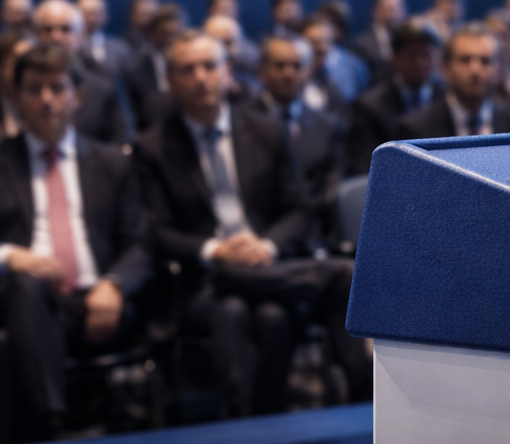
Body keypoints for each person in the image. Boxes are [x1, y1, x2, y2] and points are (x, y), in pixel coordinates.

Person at [131, 31, 369, 417]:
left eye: (210, 66)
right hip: (202, 278)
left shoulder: (266, 130)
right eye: (188, 69)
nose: (201, 77)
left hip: (266, 263)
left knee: (267, 316)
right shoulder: (151, 147)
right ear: (169, 80)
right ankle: (267, 418)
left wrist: (266, 245)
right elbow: (155, 230)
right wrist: (216, 251)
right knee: (253, 307)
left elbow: (299, 210)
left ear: (227, 72)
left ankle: (256, 421)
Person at [0, 44, 149, 443]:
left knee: (6, 346)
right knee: (26, 286)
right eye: (34, 89)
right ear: (17, 97)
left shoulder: (111, 163)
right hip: (20, 296)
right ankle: (53, 419)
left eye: (57, 88)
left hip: (96, 303)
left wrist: (114, 283)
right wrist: (12, 256)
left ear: (78, 96)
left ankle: (39, 428)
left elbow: (138, 243)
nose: (47, 99)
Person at [255, 37, 347, 244]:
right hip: (258, 231)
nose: (289, 73)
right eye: (280, 66)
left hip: (312, 234)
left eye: (297, 66)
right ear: (261, 71)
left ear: (309, 71)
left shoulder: (328, 126)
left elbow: (330, 189)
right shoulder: (240, 122)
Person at [395, 24, 510, 139]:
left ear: (499, 70)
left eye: (485, 61)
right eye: (465, 60)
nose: (475, 70)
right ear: (445, 68)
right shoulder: (415, 129)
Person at [32, 0, 134, 145]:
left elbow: (123, 132)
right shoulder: (23, 75)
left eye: (65, 29)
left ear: (80, 35)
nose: (55, 36)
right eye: (47, 30)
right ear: (35, 34)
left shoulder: (104, 76)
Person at [345, 22, 438, 176]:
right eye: (412, 55)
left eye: (426, 55)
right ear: (393, 58)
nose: (420, 63)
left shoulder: (446, 97)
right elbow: (364, 168)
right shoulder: (369, 107)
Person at [123, 3, 185, 131]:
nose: (171, 40)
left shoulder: (195, 68)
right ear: (152, 33)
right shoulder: (134, 70)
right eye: (165, 34)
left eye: (176, 33)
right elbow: (130, 115)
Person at [201, 15, 261, 103]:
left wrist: (237, 90)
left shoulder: (249, 66)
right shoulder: (196, 73)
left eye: (229, 43)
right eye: (218, 42)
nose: (222, 49)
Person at [75, 0, 133, 80]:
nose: (91, 18)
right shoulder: (67, 45)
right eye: (85, 13)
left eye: (96, 13)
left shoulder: (121, 48)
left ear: (105, 16)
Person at [351, 0, 405, 72]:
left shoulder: (411, 44)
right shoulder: (361, 46)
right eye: (387, 9)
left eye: (397, 8)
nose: (392, 14)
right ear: (374, 10)